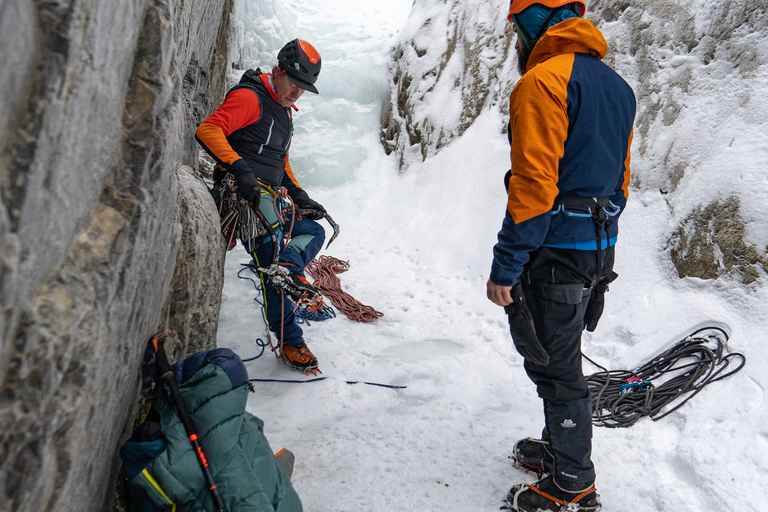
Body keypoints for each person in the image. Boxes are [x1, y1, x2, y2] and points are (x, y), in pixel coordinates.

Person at [486, 1, 635, 510]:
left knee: (555, 366)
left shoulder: (543, 82)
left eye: (515, 28)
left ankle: (574, 479)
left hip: (553, 252)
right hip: (596, 248)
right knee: (558, 357)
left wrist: (506, 264)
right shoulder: (618, 87)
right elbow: (622, 183)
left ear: (531, 23)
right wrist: (599, 245)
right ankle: (560, 449)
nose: (515, 40)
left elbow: (533, 186)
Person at [196, 39, 328, 374]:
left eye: (303, 88)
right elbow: (209, 130)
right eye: (294, 84)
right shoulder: (250, 98)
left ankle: (287, 267)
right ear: (278, 72)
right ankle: (289, 339)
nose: (297, 94)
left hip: (268, 194)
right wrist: (239, 169)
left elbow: (279, 160)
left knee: (312, 229)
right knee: (269, 253)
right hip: (242, 197)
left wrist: (299, 196)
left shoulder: (282, 110)